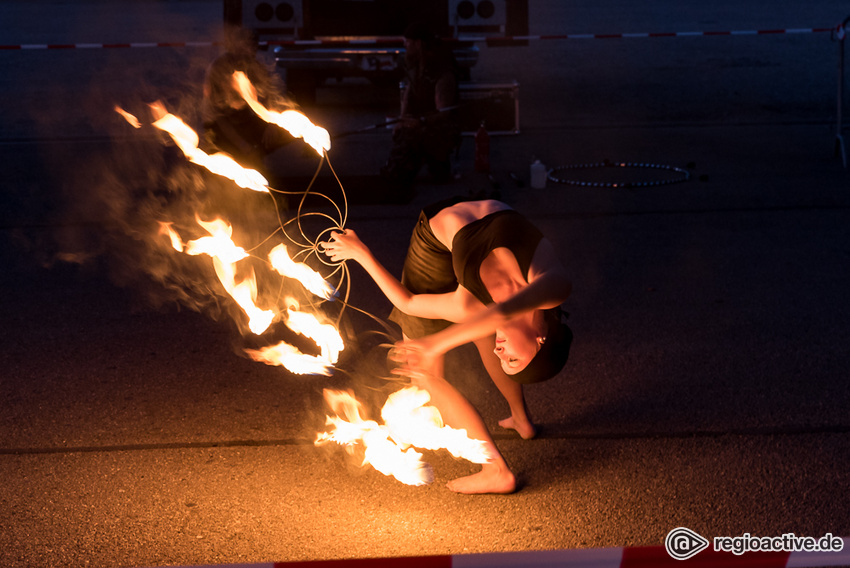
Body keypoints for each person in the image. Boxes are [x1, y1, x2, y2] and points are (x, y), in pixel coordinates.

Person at [319, 197, 573, 494]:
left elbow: (409, 302)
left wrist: (361, 254)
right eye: (513, 360)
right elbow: (502, 312)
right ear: (541, 340)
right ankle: (504, 453)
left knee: (434, 369)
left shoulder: (471, 306)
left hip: (458, 219)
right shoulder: (556, 286)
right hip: (438, 242)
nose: (499, 352)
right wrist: (435, 343)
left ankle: (508, 446)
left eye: (504, 360)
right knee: (440, 363)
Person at [379, 23, 462, 197]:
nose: (405, 46)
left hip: (441, 127)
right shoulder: (416, 65)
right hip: (421, 122)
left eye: (407, 43)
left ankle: (437, 160)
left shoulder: (442, 71)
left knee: (416, 141)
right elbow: (409, 91)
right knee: (402, 144)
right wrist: (402, 119)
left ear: (418, 44)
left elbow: (444, 112)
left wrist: (420, 122)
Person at [201, 27, 294, 173]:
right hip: (220, 125)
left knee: (289, 127)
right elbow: (218, 117)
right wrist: (244, 146)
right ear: (234, 46)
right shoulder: (219, 68)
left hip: (245, 120)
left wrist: (272, 125)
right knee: (240, 150)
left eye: (253, 46)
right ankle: (243, 160)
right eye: (245, 45)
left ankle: (256, 157)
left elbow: (270, 99)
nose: (250, 50)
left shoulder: (256, 67)